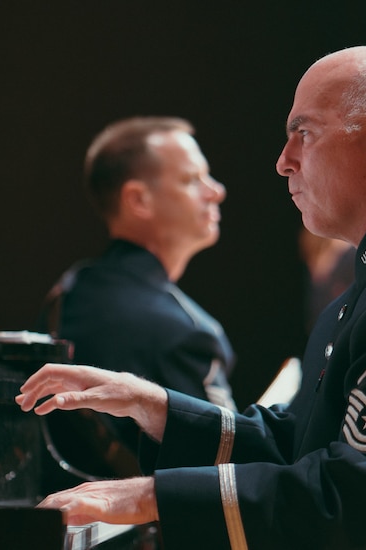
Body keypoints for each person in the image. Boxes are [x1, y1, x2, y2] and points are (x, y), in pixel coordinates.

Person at [16, 46, 366, 549]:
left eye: (304, 133)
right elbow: (302, 444)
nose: (283, 161)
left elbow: (341, 498)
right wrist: (147, 402)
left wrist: (144, 496)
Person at [36, 116, 237, 456]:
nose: (216, 191)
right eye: (192, 179)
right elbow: (221, 461)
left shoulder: (67, 293)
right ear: (138, 200)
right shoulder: (187, 331)